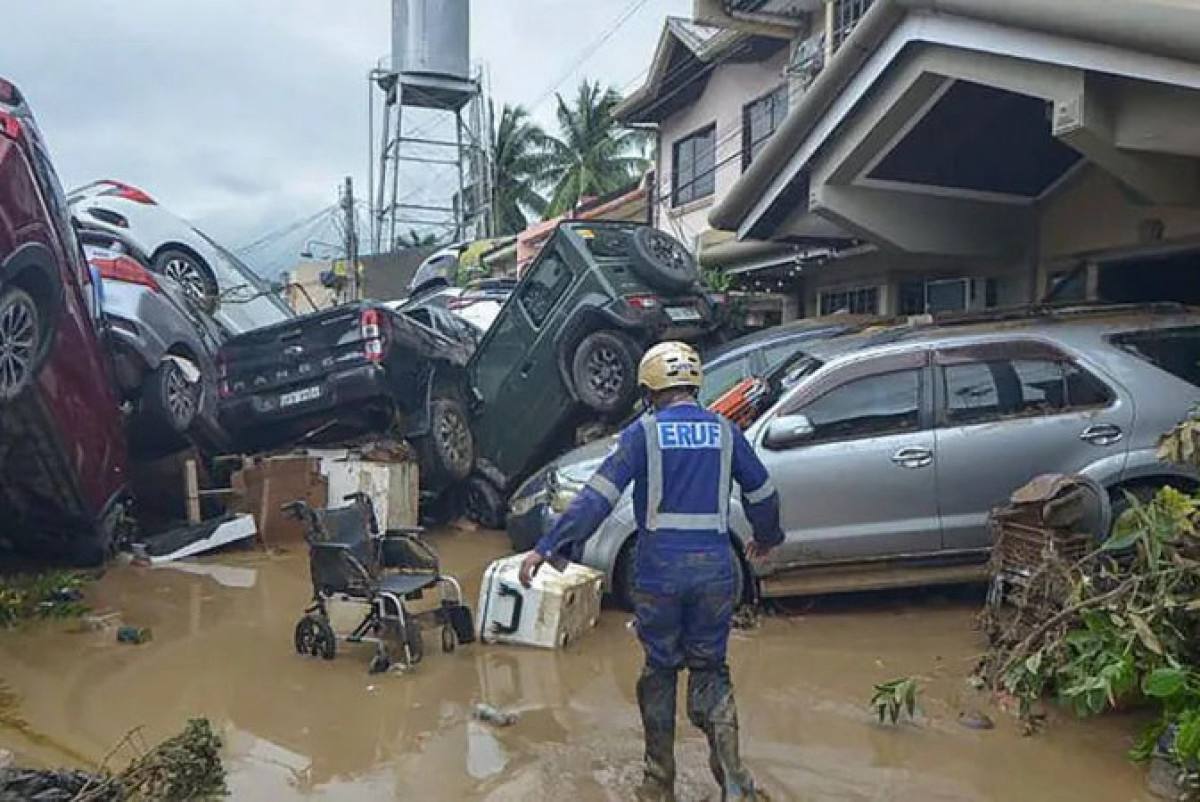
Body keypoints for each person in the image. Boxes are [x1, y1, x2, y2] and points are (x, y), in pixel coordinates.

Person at [519, 341, 783, 801]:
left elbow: (597, 497)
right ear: (693, 384)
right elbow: (764, 494)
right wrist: (767, 536)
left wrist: (549, 546)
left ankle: (658, 784)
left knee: (659, 671)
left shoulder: (643, 434)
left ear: (650, 388)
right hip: (716, 572)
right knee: (712, 671)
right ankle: (736, 786)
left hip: (659, 571)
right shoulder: (725, 431)